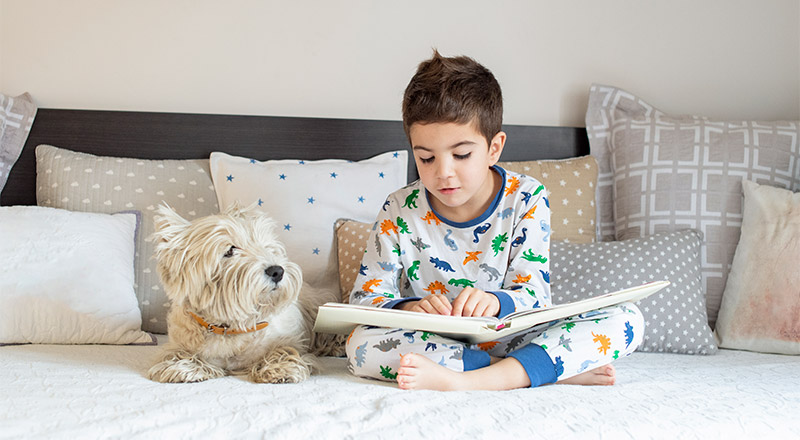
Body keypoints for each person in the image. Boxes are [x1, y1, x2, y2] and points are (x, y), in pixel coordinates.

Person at [345, 50, 644, 391]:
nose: (444, 173)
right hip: (438, 341)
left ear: (494, 147)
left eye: (461, 155)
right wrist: (413, 306)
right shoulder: (399, 208)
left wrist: (495, 300)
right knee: (359, 346)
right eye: (426, 158)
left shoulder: (527, 197)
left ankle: (466, 381)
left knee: (627, 319)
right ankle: (538, 369)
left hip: (511, 333)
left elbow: (534, 294)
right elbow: (365, 300)